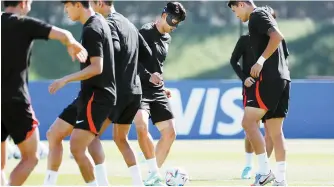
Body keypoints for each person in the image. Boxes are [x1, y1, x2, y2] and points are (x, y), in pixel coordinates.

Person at [1, 0, 87, 185]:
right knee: (31, 157)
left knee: (1, 163)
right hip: (15, 100)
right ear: (23, 3)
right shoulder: (23, 24)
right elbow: (63, 34)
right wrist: (71, 43)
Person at [89, 0, 161, 185]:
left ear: (99, 3)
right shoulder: (129, 24)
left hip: (117, 92)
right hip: (134, 92)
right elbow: (147, 54)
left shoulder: (109, 23)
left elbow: (115, 48)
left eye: (91, 2)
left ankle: (102, 184)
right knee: (120, 138)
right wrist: (154, 74)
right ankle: (138, 183)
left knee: (90, 136)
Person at [45, 1, 116, 185]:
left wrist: (65, 79)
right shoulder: (99, 21)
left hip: (98, 97)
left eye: (67, 5)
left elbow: (97, 67)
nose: (65, 10)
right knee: (54, 135)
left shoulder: (92, 28)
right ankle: (49, 183)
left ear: (78, 4)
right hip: (87, 95)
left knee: (76, 147)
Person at [228, 0, 290, 186]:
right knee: (275, 132)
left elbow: (277, 37)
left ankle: (264, 171)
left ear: (241, 4)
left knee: (248, 122)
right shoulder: (266, 16)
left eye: (234, 10)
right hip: (284, 79)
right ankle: (281, 179)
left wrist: (260, 61)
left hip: (268, 79)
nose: (236, 15)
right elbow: (283, 50)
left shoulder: (257, 15)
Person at [133, 2, 186, 186]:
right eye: (173, 21)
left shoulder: (167, 39)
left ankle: (151, 177)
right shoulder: (145, 32)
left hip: (156, 90)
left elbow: (157, 67)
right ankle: (150, 165)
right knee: (140, 122)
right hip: (139, 88)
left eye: (177, 23)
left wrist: (162, 86)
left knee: (170, 133)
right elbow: (131, 62)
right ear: (164, 15)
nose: (174, 26)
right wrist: (148, 76)